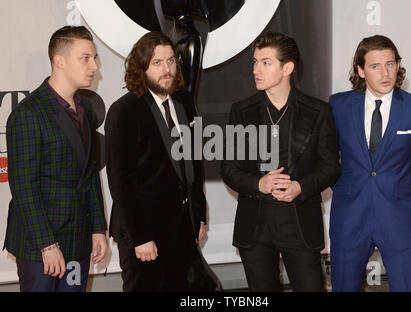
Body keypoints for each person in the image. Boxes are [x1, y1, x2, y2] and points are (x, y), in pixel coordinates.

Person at [221, 32, 341, 291]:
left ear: (287, 67)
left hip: (299, 223)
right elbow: (229, 169)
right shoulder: (241, 111)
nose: (256, 69)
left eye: (266, 62)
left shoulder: (318, 111)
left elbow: (331, 167)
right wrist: (259, 183)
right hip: (255, 225)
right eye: (254, 62)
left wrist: (300, 186)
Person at [329, 35, 411, 292]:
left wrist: (406, 198)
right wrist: (345, 188)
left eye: (391, 64)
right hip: (350, 215)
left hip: (398, 216)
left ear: (398, 65)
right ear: (360, 70)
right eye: (375, 66)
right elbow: (326, 156)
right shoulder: (338, 105)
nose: (385, 73)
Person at [4, 26, 107, 292]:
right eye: (85, 58)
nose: (94, 66)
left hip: (78, 240)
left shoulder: (86, 110)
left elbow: (90, 174)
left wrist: (98, 227)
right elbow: (24, 186)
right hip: (40, 245)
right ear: (59, 61)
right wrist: (46, 245)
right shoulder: (29, 114)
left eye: (94, 58)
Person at [105, 31, 207, 291]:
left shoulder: (184, 101)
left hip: (183, 229)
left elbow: (194, 166)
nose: (167, 69)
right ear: (141, 68)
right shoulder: (124, 111)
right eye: (157, 63)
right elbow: (120, 181)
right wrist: (140, 237)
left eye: (171, 61)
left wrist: (200, 216)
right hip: (144, 232)